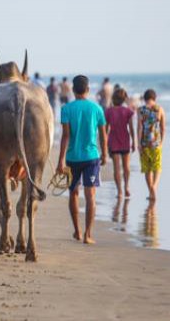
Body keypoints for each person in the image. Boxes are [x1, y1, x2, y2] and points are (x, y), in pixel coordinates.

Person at [56, 75, 107, 244]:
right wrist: (105, 154)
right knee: (90, 194)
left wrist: (60, 161)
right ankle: (88, 234)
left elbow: (65, 136)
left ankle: (77, 231)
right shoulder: (97, 108)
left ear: (73, 90)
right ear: (88, 90)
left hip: (72, 157)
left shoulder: (66, 109)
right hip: (92, 157)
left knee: (73, 193)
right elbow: (102, 134)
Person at [105, 88, 136, 198]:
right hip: (125, 141)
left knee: (116, 168)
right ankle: (126, 187)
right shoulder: (128, 111)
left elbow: (106, 129)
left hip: (113, 142)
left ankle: (119, 191)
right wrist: (134, 142)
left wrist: (105, 144)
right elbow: (131, 128)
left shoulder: (109, 111)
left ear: (113, 98)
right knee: (126, 167)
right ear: (123, 99)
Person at [137, 89, 165, 200]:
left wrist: (138, 143)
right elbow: (163, 128)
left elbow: (139, 128)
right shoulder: (160, 109)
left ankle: (150, 192)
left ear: (145, 98)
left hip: (144, 143)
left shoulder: (140, 110)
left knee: (147, 168)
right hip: (156, 143)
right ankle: (154, 187)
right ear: (155, 98)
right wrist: (161, 142)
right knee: (157, 167)